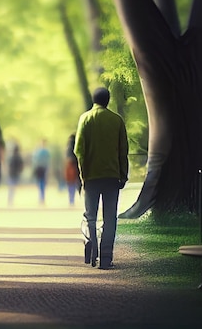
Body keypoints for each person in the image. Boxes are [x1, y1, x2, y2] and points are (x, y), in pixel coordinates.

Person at [74, 87, 128, 270]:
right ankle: (106, 258)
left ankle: (93, 254)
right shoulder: (117, 120)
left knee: (90, 217)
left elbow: (79, 151)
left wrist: (83, 175)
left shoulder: (86, 119)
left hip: (91, 177)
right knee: (109, 218)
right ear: (108, 100)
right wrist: (123, 174)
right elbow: (123, 151)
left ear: (93, 99)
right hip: (112, 176)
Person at [31, 138, 50, 204]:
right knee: (41, 182)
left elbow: (34, 160)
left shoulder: (38, 151)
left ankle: (41, 197)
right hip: (41, 168)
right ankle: (41, 197)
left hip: (41, 168)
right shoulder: (43, 151)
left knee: (41, 182)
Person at [64, 133, 81, 206]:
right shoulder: (77, 145)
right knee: (77, 182)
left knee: (70, 183)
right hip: (77, 165)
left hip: (70, 166)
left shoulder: (68, 147)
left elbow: (67, 157)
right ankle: (76, 196)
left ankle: (71, 199)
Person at [7, 142, 23, 206]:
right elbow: (21, 165)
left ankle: (10, 200)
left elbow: (9, 165)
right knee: (13, 187)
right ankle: (10, 200)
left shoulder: (11, 157)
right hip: (15, 174)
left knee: (11, 187)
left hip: (12, 174)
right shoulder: (18, 157)